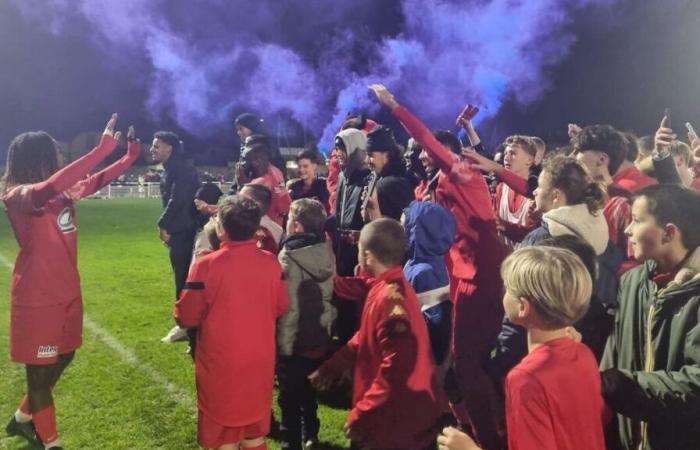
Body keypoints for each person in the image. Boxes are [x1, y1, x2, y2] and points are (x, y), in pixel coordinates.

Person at [371, 84, 506, 450]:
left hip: (481, 277)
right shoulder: (434, 183)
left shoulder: (461, 172)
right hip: (457, 278)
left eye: (427, 153)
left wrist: (395, 106)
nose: (420, 156)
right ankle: (470, 425)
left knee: (466, 364)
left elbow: (429, 140)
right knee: (455, 363)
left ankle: (488, 439)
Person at [2, 115, 140, 449]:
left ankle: (21, 420)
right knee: (37, 376)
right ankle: (51, 443)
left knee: (64, 357)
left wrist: (129, 156)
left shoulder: (60, 192)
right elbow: (48, 187)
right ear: (39, 159)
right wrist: (100, 149)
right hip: (37, 297)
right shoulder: (17, 195)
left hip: (67, 293)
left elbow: (96, 181)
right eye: (55, 153)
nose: (61, 157)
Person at [438, 246, 605, 450]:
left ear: (523, 307)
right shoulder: (583, 352)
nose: (503, 292)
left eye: (508, 287)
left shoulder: (525, 379)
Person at [310, 218, 445, 450]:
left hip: (395, 424)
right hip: (394, 418)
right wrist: (331, 367)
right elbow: (364, 336)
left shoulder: (391, 299)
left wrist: (362, 413)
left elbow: (396, 370)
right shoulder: (385, 287)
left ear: (368, 256)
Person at [174, 195, 288, 450]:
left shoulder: (206, 266)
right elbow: (281, 305)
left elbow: (186, 316)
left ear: (222, 228)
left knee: (224, 438)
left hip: (222, 364)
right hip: (259, 361)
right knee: (253, 435)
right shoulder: (271, 262)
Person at [600, 184, 700, 450]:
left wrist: (622, 386)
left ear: (669, 232)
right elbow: (616, 344)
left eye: (637, 220)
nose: (627, 230)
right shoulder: (633, 281)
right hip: (629, 438)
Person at [276, 199, 336, 450]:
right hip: (320, 336)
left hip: (297, 339)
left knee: (289, 397)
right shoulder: (325, 249)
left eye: (288, 218)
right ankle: (310, 433)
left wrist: (284, 348)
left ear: (297, 227)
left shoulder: (289, 256)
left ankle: (292, 442)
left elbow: (289, 309)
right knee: (309, 390)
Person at [150, 131, 201, 346]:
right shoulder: (174, 168)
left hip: (185, 232)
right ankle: (188, 323)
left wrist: (163, 224)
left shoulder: (180, 170)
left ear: (169, 148)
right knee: (184, 277)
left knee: (184, 279)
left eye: (156, 146)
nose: (152, 150)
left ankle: (186, 325)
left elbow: (178, 199)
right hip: (182, 230)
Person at [403, 201, 456, 374]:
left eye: (406, 226)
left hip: (424, 356)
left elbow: (438, 322)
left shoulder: (426, 272)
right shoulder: (417, 262)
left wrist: (436, 359)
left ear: (419, 233)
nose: (402, 230)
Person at [363, 125, 416, 222]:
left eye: (370, 155)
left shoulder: (385, 187)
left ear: (386, 156)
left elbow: (385, 230)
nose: (366, 160)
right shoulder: (406, 177)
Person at [237, 138, 291, 226]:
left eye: (246, 160)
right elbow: (285, 206)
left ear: (258, 160)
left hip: (261, 231)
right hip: (276, 229)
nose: (243, 164)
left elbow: (239, 211)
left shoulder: (259, 183)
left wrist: (241, 185)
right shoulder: (277, 172)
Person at [240, 183, 284, 254]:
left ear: (255, 204)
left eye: (241, 198)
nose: (236, 201)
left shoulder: (247, 228)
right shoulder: (278, 229)